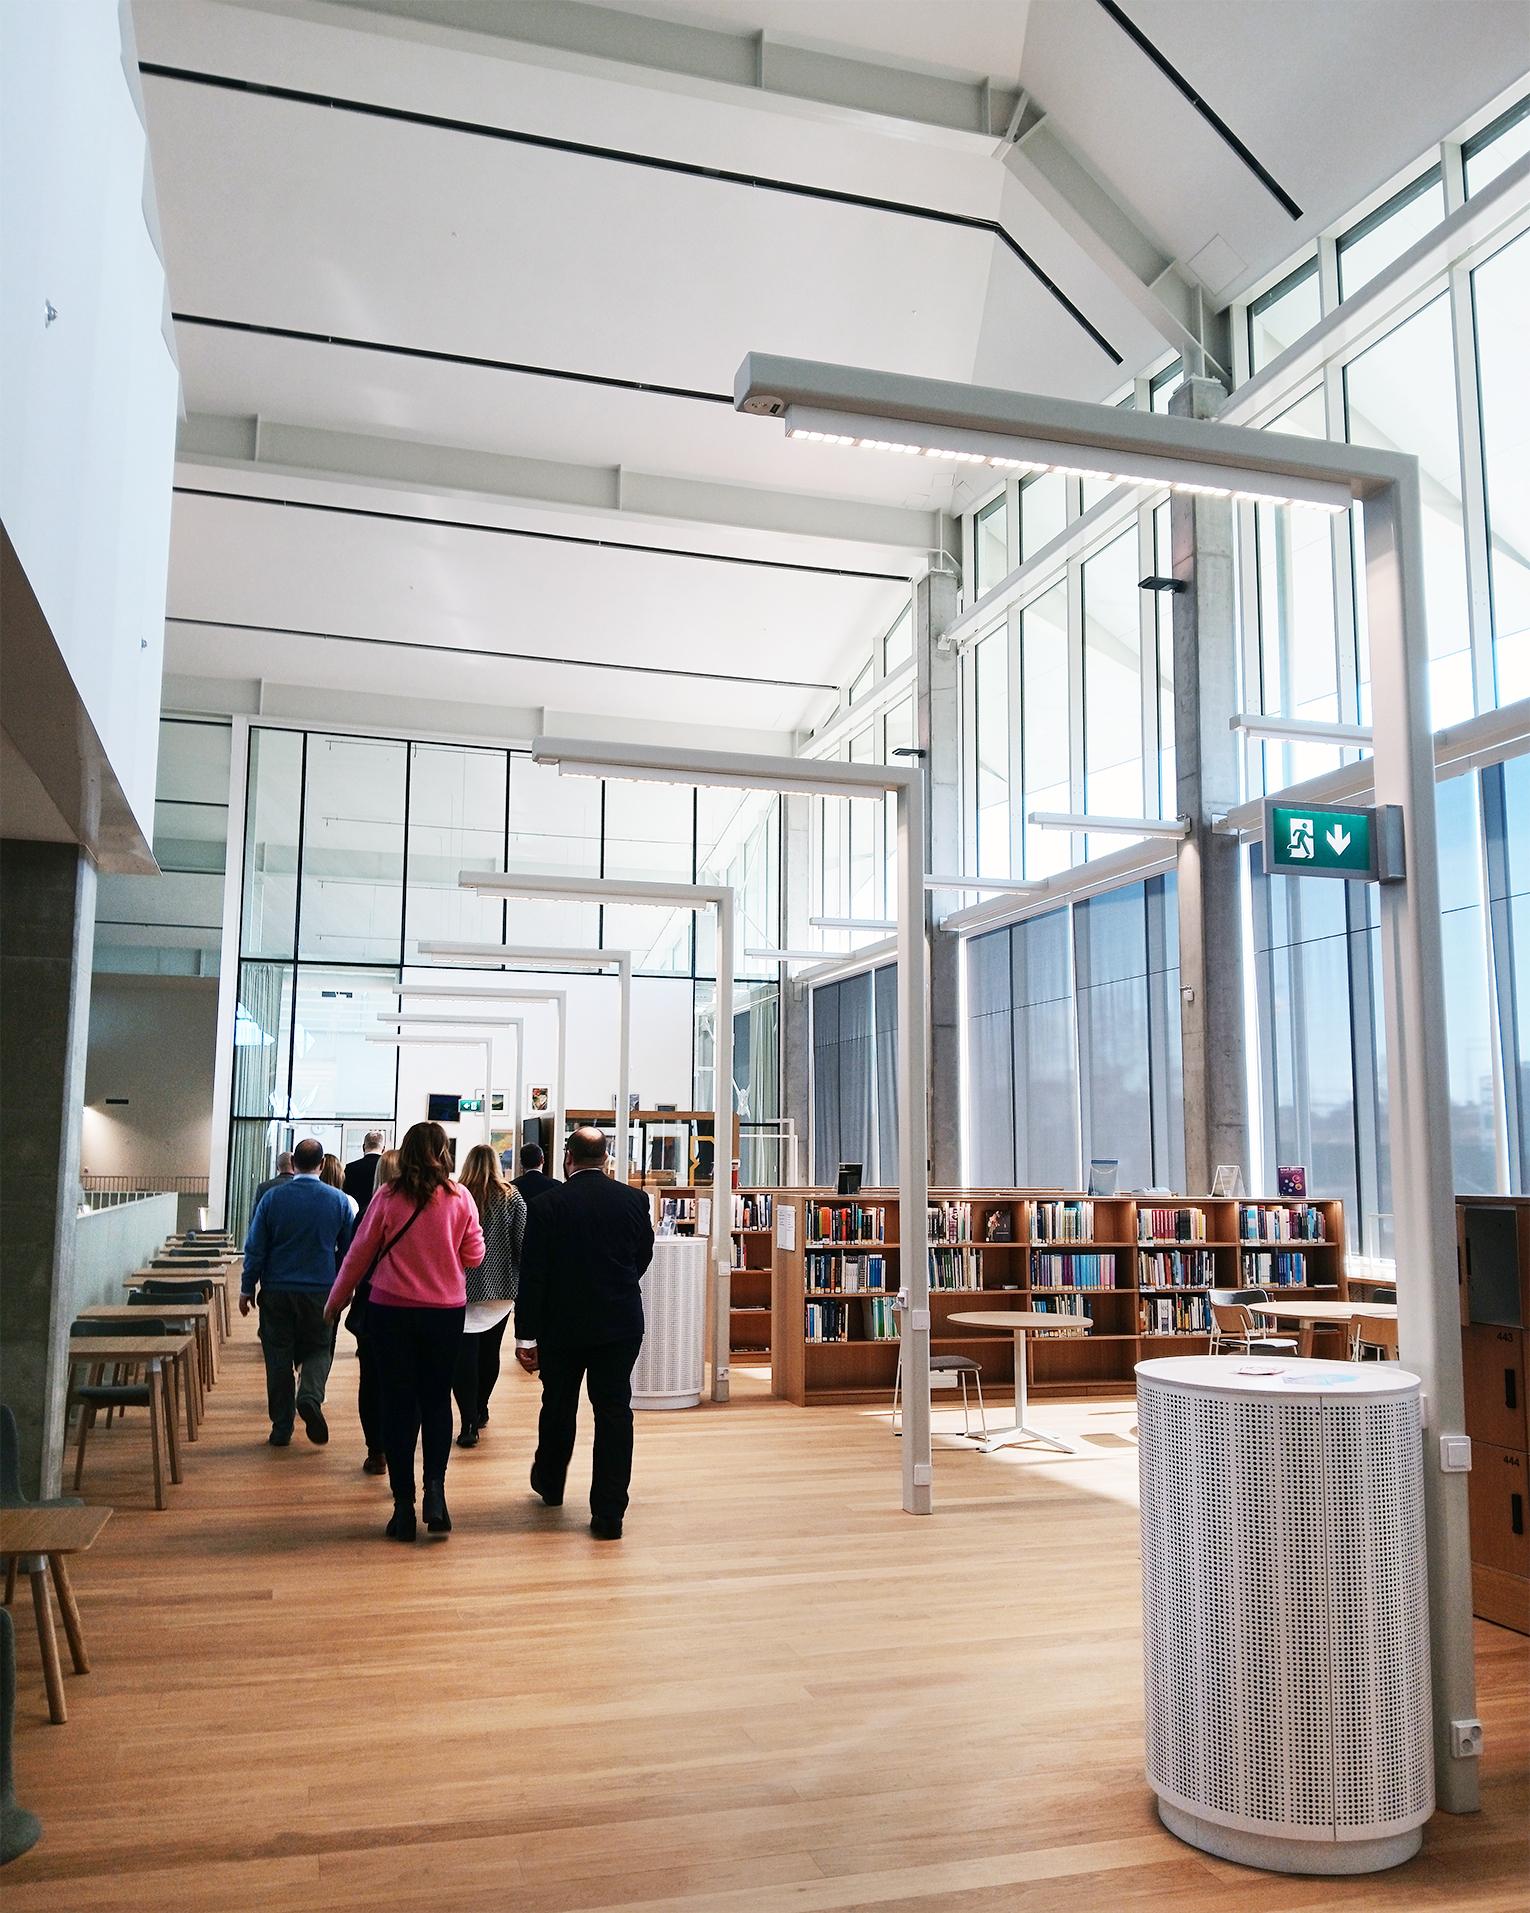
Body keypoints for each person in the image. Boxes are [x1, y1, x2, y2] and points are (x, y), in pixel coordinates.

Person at [326, 1123, 484, 1542]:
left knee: (398, 1404)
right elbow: (474, 1254)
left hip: (390, 1312)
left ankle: (402, 1508)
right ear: (443, 1153)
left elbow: (359, 1255)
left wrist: (335, 1301)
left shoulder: (387, 1197)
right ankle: (436, 1492)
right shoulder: (459, 1197)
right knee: (436, 1401)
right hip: (444, 1314)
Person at [514, 1126, 653, 1540]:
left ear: (567, 1159)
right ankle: (609, 1513)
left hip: (562, 1327)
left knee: (558, 1404)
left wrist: (526, 1336)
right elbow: (641, 1255)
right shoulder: (634, 1200)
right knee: (613, 1411)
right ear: (606, 1159)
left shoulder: (546, 1205)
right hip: (619, 1322)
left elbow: (533, 1276)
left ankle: (551, 1483)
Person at [241, 1137, 356, 1447]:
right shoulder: (339, 1201)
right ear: (321, 1165)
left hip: (277, 1289)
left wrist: (246, 1286)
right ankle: (309, 1396)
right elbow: (349, 1252)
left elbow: (255, 1247)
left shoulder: (272, 1199)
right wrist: (345, 1290)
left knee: (277, 1357)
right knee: (319, 1348)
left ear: (293, 1165)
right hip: (320, 1290)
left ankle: (281, 1428)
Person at [452, 1145, 526, 1448]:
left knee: (463, 1357)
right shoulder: (512, 1197)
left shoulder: (456, 1195)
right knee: (490, 1353)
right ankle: (481, 1407)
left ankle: (468, 1420)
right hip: (501, 1289)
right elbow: (522, 1242)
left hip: (461, 1288)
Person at [347, 1148, 398, 1477]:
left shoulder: (366, 1212)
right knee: (403, 1380)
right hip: (411, 1307)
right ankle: (397, 1446)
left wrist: (338, 1299)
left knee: (371, 1380)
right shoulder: (424, 1209)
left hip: (371, 1305)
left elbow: (354, 1263)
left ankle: (375, 1450)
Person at [343, 1130, 387, 1217]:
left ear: (363, 1147)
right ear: (383, 1149)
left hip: (356, 1216)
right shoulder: (387, 1168)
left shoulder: (350, 1168)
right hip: (381, 1216)